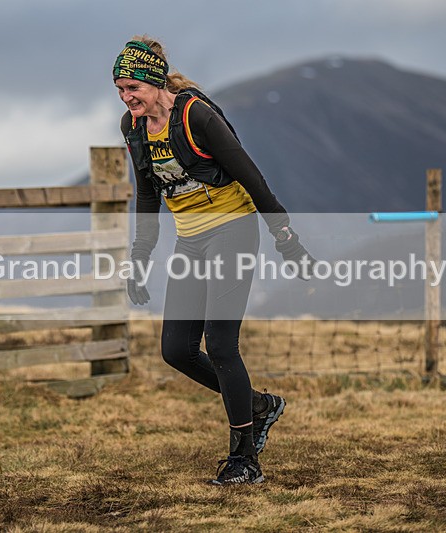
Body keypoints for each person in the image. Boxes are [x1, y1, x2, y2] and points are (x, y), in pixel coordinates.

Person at [113, 36, 314, 485]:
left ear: (154, 81)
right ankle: (259, 406)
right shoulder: (134, 128)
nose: (127, 98)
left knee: (221, 344)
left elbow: (251, 177)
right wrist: (139, 258)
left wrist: (285, 238)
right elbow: (147, 196)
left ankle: (245, 460)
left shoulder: (196, 116)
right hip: (191, 241)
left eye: (133, 88)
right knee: (176, 351)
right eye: (120, 90)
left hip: (232, 230)